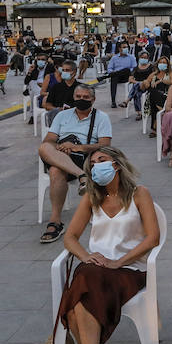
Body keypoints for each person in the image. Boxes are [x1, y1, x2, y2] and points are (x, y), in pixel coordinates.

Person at [54, 147, 160, 344]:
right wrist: (85, 255)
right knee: (86, 279)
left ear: (117, 164)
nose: (97, 165)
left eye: (103, 160)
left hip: (130, 270)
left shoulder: (139, 195)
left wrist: (118, 262)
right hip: (96, 270)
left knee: (79, 293)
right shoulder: (92, 198)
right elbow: (70, 237)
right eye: (93, 164)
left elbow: (153, 237)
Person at [38, 82, 111, 244]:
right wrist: (62, 147)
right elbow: (49, 140)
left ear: (93, 99)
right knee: (44, 148)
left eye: (86, 97)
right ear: (73, 97)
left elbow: (105, 145)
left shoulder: (101, 117)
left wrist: (78, 147)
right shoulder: (62, 116)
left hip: (84, 157)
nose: (81, 99)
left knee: (56, 171)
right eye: (78, 97)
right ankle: (82, 178)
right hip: (62, 154)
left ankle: (55, 222)